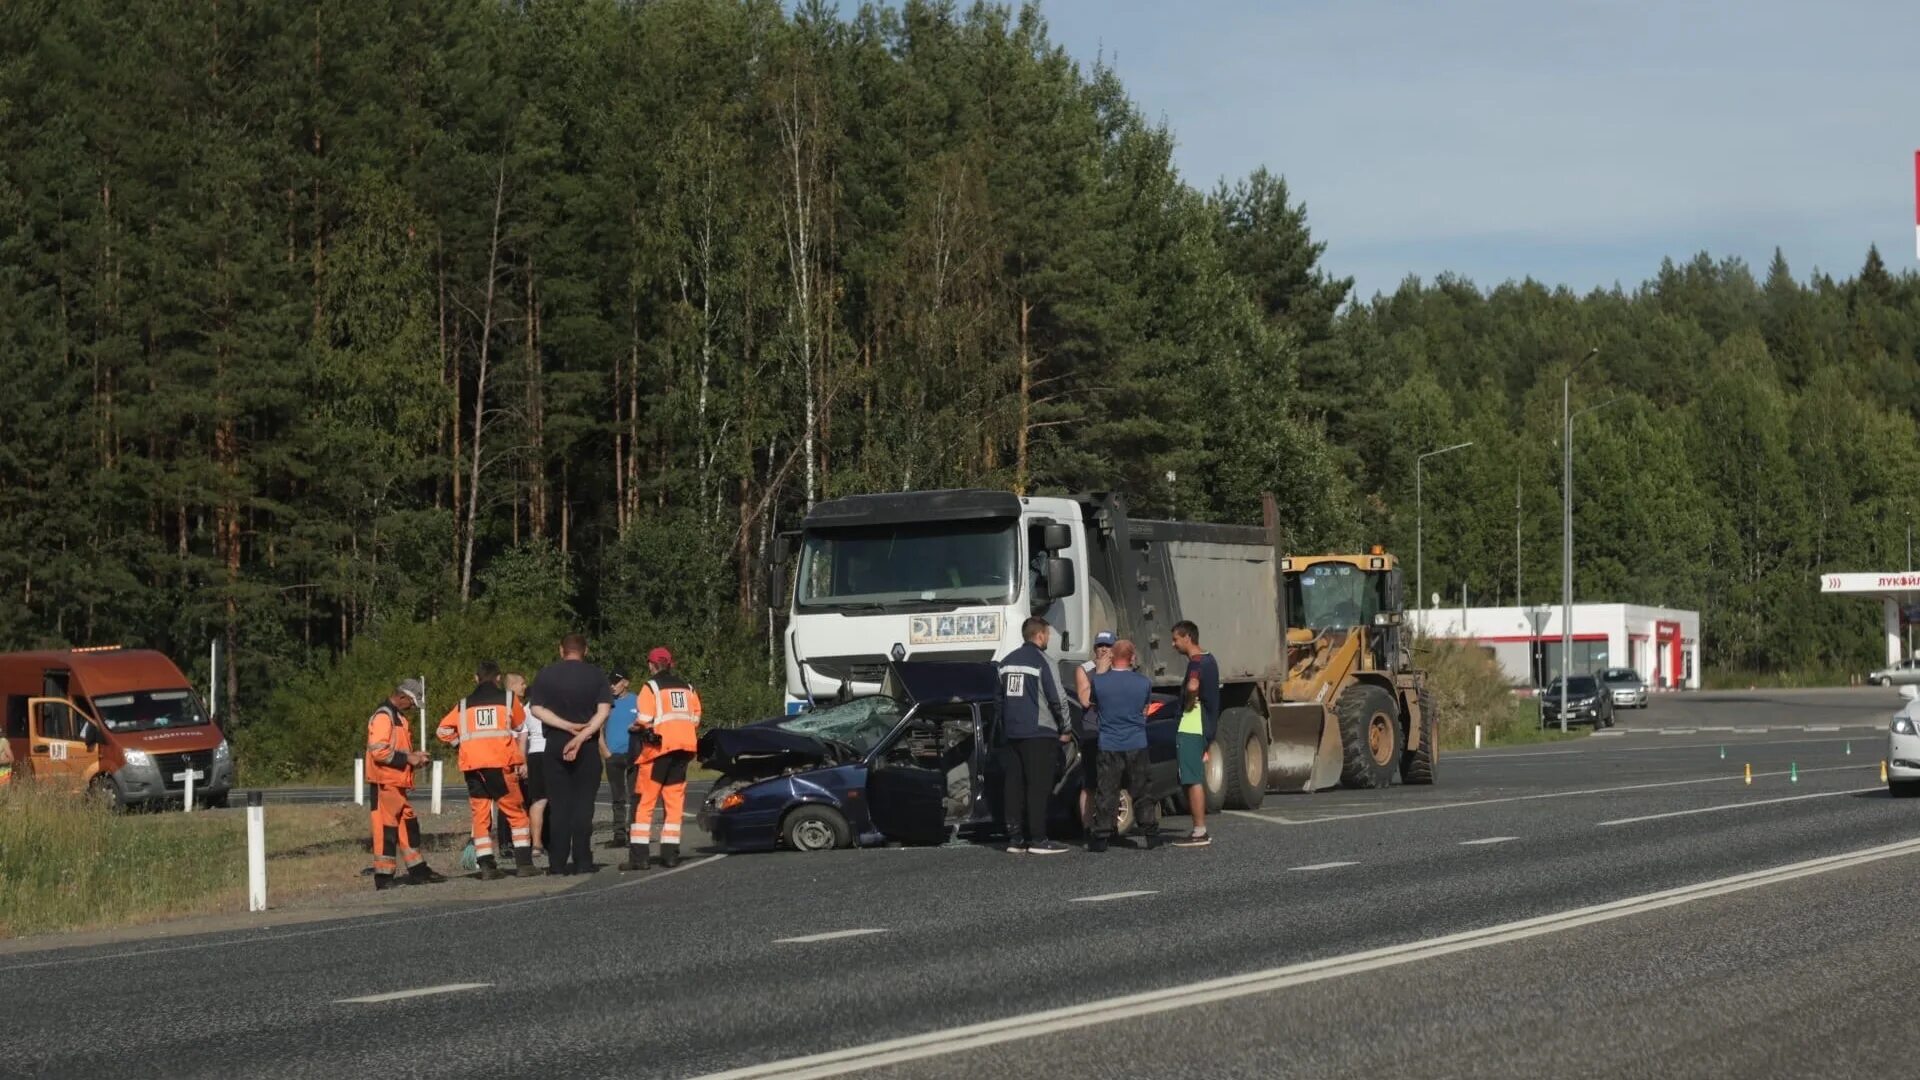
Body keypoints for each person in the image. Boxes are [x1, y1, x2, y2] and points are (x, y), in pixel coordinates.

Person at [435, 660, 534, 879]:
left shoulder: (463, 705)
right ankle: (524, 864)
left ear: (476, 679)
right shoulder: (508, 699)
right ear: (498, 678)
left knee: (480, 816)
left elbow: (442, 730)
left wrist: (460, 743)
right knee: (516, 815)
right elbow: (519, 725)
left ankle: (487, 866)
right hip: (500, 765)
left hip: (472, 767)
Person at [527, 635, 613, 876]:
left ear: (561, 650)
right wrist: (582, 734)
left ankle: (557, 863)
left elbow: (536, 709)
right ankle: (583, 860)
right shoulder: (596, 675)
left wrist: (566, 728)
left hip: (555, 743)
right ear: (585, 650)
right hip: (587, 746)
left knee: (559, 806)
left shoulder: (546, 675)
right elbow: (603, 712)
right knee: (584, 806)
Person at [995, 616, 1073, 855]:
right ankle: (1038, 838)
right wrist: (1066, 728)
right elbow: (1057, 698)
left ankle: (1015, 838)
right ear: (1039, 635)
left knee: (1014, 785)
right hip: (1039, 732)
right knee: (1038, 786)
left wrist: (1003, 730)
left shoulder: (1004, 663)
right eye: (1047, 634)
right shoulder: (1043, 661)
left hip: (1012, 733)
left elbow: (998, 701)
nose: (1048, 638)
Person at [622, 647, 702, 871]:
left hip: (658, 750)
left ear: (651, 665)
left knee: (645, 803)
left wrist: (636, 726)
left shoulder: (651, 687)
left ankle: (639, 858)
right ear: (671, 664)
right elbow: (695, 718)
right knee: (674, 802)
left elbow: (645, 718)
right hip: (683, 749)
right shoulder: (688, 688)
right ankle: (670, 855)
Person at [364, 679, 446, 889]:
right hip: (385, 783)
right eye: (411, 702)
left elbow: (393, 751)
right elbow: (379, 752)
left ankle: (418, 870)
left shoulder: (397, 717)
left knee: (407, 827)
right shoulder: (384, 716)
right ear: (401, 697)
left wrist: (413, 757)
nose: (412, 707)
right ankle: (383, 878)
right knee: (386, 830)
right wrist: (408, 759)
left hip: (396, 784)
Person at [1086, 640, 1159, 852]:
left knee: (1107, 789)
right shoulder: (1143, 682)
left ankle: (1101, 836)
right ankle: (1150, 833)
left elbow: (1094, 704)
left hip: (1108, 742)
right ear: (1132, 657)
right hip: (1136, 741)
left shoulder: (1100, 683)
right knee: (1142, 789)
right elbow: (1144, 709)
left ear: (1112, 657)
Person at [1170, 620, 1221, 848]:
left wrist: (1189, 703)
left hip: (1192, 725)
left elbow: (1192, 686)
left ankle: (1200, 831)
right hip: (1203, 725)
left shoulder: (1196, 662)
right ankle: (1199, 829)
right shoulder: (1209, 658)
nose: (1173, 645)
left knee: (1191, 779)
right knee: (1192, 777)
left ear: (1187, 638)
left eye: (1176, 639)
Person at [1072, 630, 1116, 825]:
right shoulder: (1085, 669)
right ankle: (1088, 826)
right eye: (1100, 646)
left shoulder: (1121, 670)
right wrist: (1099, 673)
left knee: (1114, 782)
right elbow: (1084, 700)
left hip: (1115, 731)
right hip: (1093, 730)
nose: (1104, 649)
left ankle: (1111, 824)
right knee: (1090, 782)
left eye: (1108, 646)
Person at [507, 671, 549, 861]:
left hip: (534, 755)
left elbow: (521, 738)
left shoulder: (524, 709)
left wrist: (522, 761)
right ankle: (556, 840)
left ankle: (537, 844)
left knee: (537, 801)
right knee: (557, 800)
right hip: (551, 753)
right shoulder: (552, 707)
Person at [602, 670, 636, 848]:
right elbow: (597, 727)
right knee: (617, 797)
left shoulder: (636, 701)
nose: (612, 686)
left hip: (633, 755)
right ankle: (619, 835)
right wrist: (605, 751)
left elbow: (648, 724)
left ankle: (636, 833)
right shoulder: (607, 704)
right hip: (612, 755)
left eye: (616, 682)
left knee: (635, 795)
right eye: (611, 683)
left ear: (626, 683)